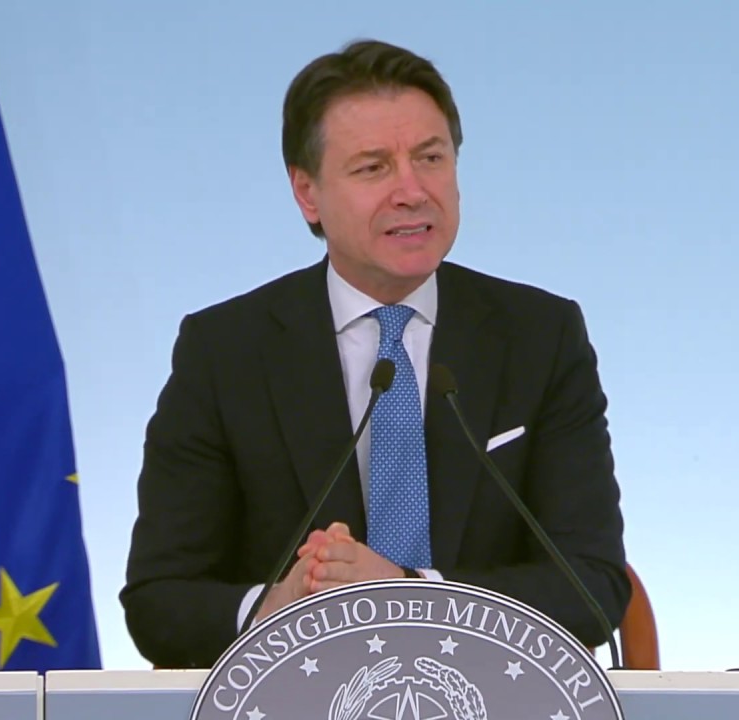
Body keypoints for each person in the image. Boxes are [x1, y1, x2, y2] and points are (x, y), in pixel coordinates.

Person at [120, 38, 631, 669]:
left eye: (430, 158)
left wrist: (408, 596)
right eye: (373, 168)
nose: (412, 191)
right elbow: (159, 600)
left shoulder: (540, 335)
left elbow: (592, 584)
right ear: (307, 192)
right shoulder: (225, 350)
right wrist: (275, 607)